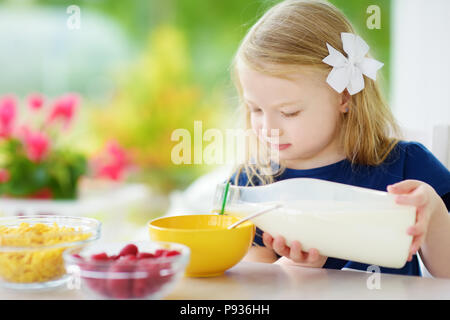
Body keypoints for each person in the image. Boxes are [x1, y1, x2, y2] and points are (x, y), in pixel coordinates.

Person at [226, 0, 450, 278]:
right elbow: (250, 288)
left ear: (343, 97)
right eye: (255, 109)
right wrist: (293, 269)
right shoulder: (252, 186)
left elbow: (447, 274)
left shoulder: (406, 167)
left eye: (289, 112)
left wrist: (434, 213)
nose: (268, 127)